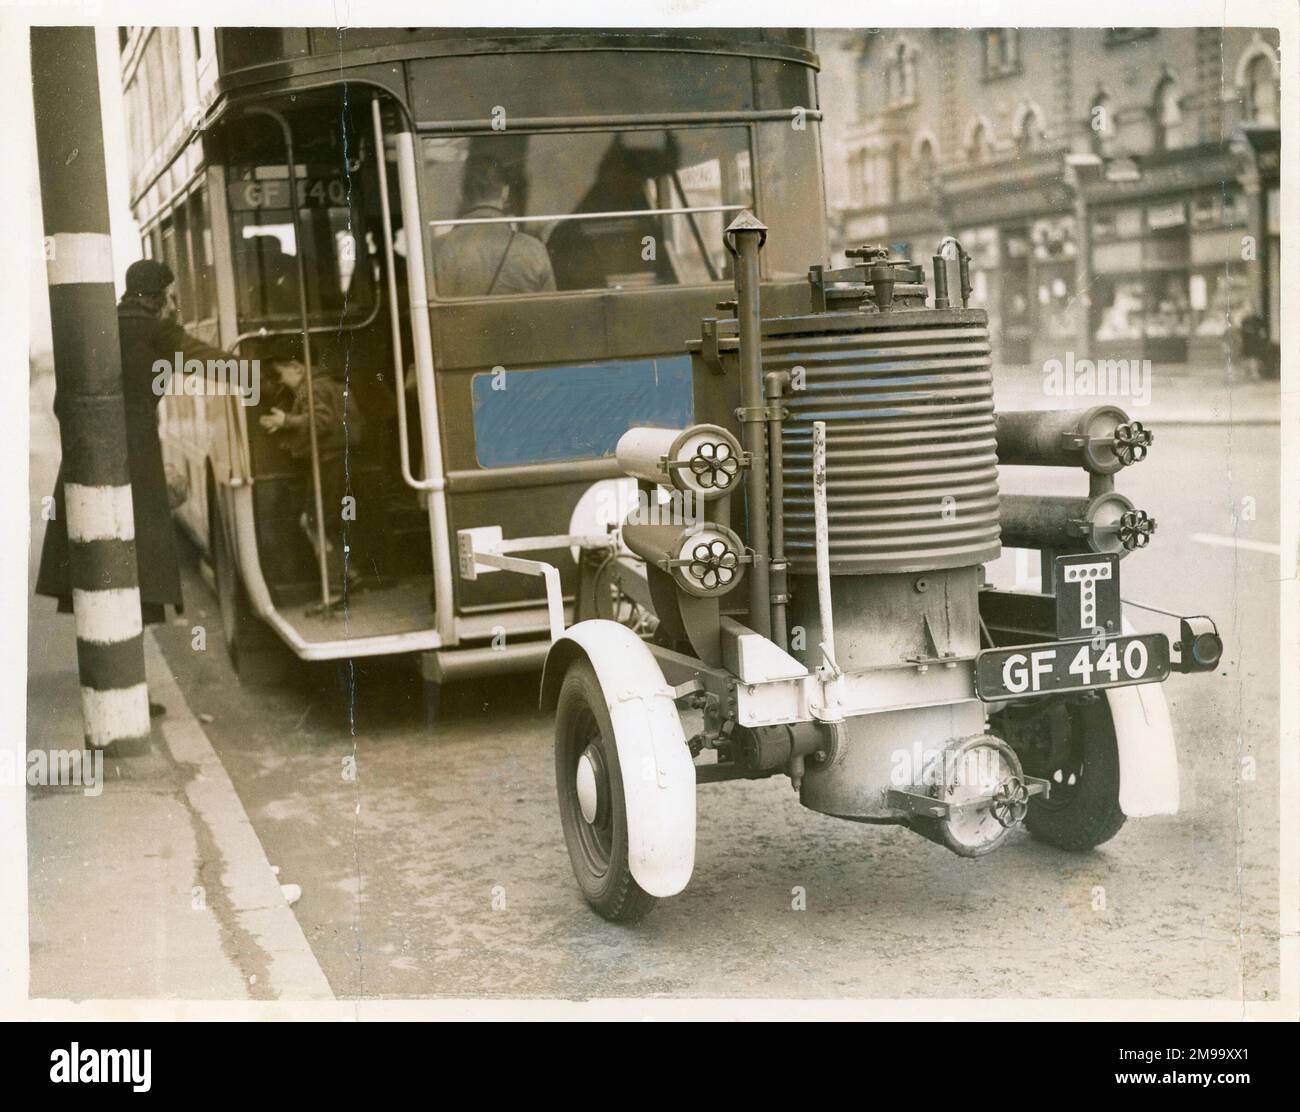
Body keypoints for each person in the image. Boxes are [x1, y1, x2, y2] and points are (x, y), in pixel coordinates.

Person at [36, 259, 235, 718]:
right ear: (159, 296)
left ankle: (111, 688)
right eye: (172, 297)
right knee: (138, 572)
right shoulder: (158, 331)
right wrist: (256, 368)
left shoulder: (96, 326)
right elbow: (210, 363)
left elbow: (62, 402)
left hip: (87, 461)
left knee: (99, 574)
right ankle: (127, 698)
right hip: (137, 460)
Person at [259, 359, 362, 602]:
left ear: (297, 367)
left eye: (282, 373)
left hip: (327, 461)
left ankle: (336, 589)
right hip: (338, 460)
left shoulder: (311, 387)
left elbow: (320, 421)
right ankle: (348, 572)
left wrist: (286, 421)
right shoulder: (330, 382)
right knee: (320, 521)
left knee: (314, 523)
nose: (282, 380)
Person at [431, 155, 555, 297]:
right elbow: (550, 312)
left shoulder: (436, 249)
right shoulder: (534, 249)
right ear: (505, 192)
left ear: (460, 194)